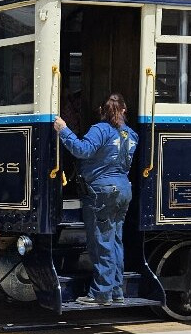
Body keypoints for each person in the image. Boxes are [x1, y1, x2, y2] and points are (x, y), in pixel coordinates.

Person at [53, 93, 138, 305]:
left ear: (101, 111)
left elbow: (82, 150)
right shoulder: (131, 134)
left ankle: (101, 293)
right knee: (116, 240)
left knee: (101, 242)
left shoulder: (100, 130)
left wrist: (63, 130)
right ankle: (117, 290)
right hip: (123, 189)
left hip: (101, 191)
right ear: (125, 111)